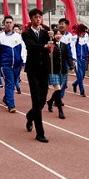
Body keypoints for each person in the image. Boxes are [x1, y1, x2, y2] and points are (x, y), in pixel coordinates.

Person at [22, 8, 52, 143]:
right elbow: (31, 46)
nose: (38, 19)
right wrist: (45, 46)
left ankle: (30, 115)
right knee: (36, 99)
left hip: (44, 69)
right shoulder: (26, 34)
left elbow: (53, 44)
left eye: (40, 17)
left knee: (43, 100)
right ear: (31, 19)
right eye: (35, 17)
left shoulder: (46, 33)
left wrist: (54, 37)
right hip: (33, 70)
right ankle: (40, 133)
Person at [0, 15, 26, 113]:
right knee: (9, 83)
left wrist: (23, 61)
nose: (8, 24)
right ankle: (11, 105)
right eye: (6, 22)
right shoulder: (0, 38)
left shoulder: (18, 36)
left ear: (13, 24)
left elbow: (23, 49)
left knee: (12, 83)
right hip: (5, 65)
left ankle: (6, 98)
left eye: (10, 22)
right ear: (4, 24)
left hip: (17, 64)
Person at [47, 28, 74, 119]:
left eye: (60, 34)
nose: (58, 36)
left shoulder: (64, 46)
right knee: (58, 90)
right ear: (53, 35)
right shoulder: (50, 45)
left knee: (58, 90)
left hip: (62, 70)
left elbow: (68, 57)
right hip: (53, 70)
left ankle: (50, 101)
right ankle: (60, 110)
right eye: (56, 34)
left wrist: (71, 66)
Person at [71, 24, 89, 97]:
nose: (84, 33)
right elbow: (73, 49)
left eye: (85, 31)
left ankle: (74, 84)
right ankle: (82, 91)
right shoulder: (74, 38)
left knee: (83, 76)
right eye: (83, 31)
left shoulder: (85, 38)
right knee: (80, 76)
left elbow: (88, 46)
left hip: (83, 59)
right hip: (77, 59)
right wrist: (74, 58)